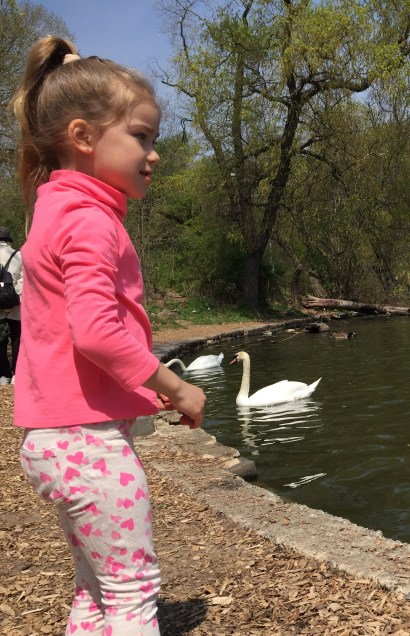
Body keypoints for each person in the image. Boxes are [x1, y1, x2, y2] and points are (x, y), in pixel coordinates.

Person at [11, 36, 206, 635]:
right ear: (84, 136)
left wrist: (139, 391)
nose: (154, 153)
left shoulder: (54, 207)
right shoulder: (90, 220)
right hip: (86, 443)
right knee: (131, 593)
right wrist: (174, 385)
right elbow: (95, 332)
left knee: (96, 591)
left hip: (55, 438)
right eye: (141, 136)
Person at [0, 225, 23, 383]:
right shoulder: (19, 255)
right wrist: (15, 295)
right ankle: (17, 373)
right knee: (17, 338)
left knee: (0, 341)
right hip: (16, 304)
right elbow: (24, 278)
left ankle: (3, 374)